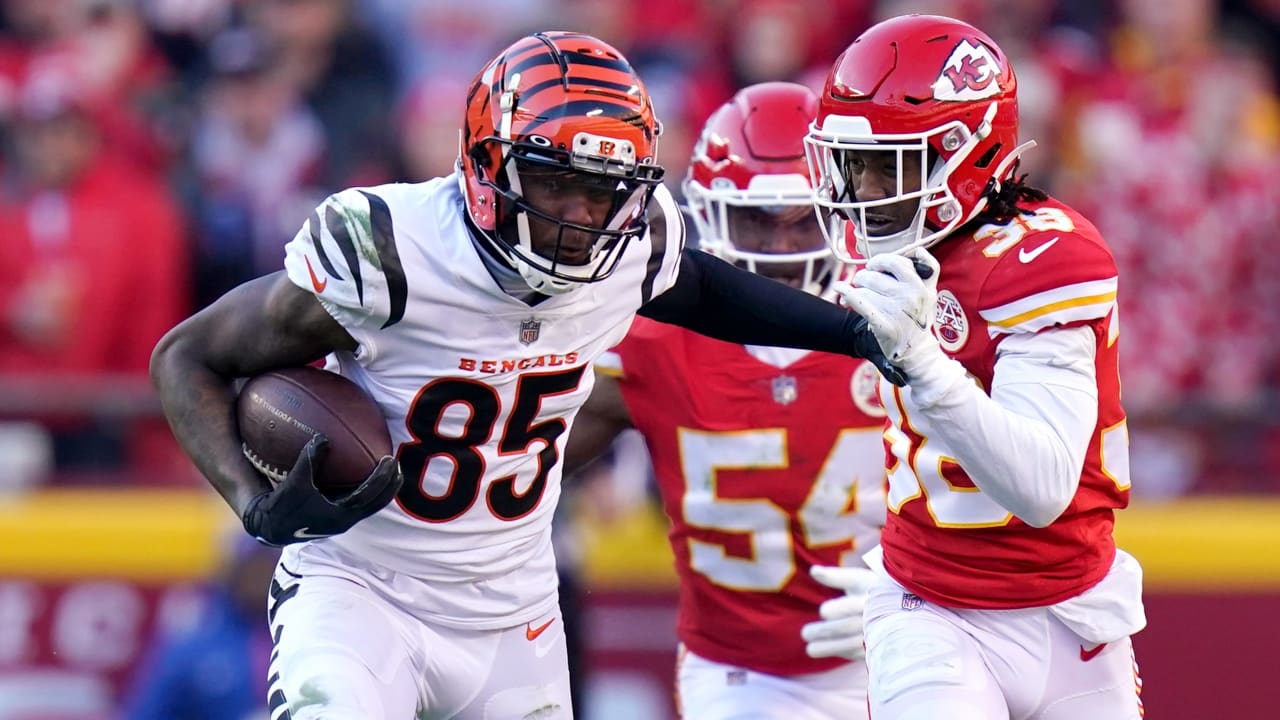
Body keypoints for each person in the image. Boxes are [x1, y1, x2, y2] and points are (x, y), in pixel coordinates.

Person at [149, 31, 901, 720]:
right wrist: (253, 507)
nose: (581, 214)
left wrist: (854, 331)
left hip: (516, 614)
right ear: (485, 164)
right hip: (363, 589)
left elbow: (708, 290)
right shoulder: (392, 252)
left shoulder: (633, 248)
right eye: (552, 183)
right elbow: (187, 357)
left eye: (604, 189)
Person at [801, 14, 1146, 720]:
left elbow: (1043, 486)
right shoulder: (885, 248)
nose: (861, 190)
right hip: (931, 606)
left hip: (1073, 613)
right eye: (853, 164)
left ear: (965, 154)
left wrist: (924, 365)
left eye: (886, 165)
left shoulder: (1044, 261)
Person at [564, 81, 885, 719]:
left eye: (804, 221)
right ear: (707, 214)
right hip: (739, 668)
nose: (783, 249)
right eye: (756, 222)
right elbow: (519, 454)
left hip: (902, 640)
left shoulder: (903, 320)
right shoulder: (649, 337)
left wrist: (913, 593)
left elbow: (997, 496)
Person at [121, 536, 281, 720]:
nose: (257, 579)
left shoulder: (301, 638)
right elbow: (148, 712)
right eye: (251, 570)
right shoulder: (190, 648)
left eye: (266, 569)